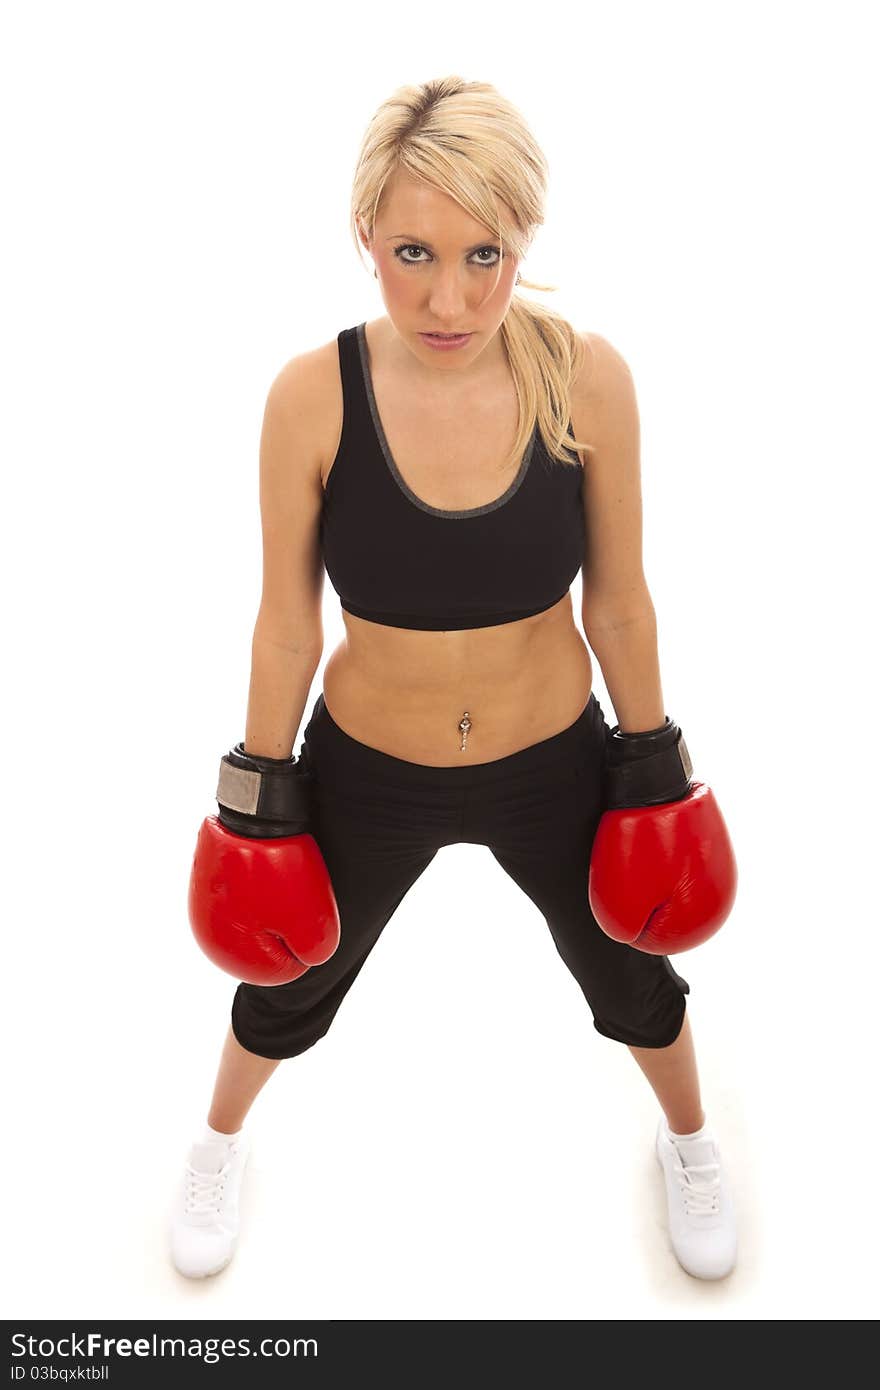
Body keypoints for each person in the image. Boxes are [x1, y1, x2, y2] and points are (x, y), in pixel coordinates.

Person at [170, 75, 738, 1284]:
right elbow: (286, 621)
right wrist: (254, 795)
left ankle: (690, 1139)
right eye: (414, 251)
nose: (450, 297)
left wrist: (654, 775)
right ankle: (217, 1145)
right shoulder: (310, 396)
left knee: (630, 964)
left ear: (524, 238)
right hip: (374, 762)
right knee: (291, 979)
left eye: (486, 254)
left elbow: (619, 601)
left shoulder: (586, 380)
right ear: (366, 233)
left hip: (552, 756)